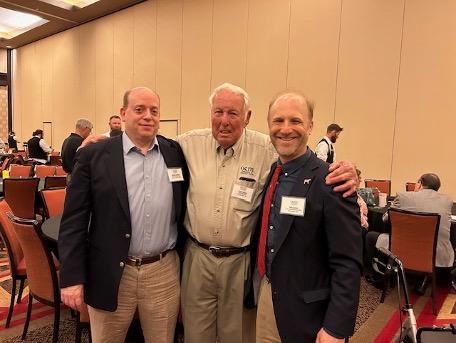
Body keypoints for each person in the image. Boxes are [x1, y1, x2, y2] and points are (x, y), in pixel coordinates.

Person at [176, 83, 358, 343]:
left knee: (238, 336)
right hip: (205, 262)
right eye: (218, 112)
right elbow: (152, 147)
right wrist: (101, 146)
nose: (224, 121)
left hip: (247, 268)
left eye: (233, 113)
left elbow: (347, 262)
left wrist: (350, 170)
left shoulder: (270, 152)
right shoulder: (188, 144)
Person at [58, 87, 189, 343]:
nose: (147, 116)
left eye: (154, 111)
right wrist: (71, 277)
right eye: (139, 109)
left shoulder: (174, 153)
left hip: (163, 272)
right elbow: (73, 222)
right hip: (112, 271)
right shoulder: (94, 155)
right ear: (123, 113)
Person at [246, 91, 362, 343]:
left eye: (295, 121)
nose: (286, 129)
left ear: (310, 126)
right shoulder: (274, 172)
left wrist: (336, 328)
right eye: (278, 121)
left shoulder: (331, 180)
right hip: (269, 297)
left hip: (309, 313)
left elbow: (347, 263)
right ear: (269, 126)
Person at [365, 173, 454, 290]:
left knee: (371, 236)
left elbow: (385, 219)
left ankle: (381, 278)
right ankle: (423, 279)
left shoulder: (403, 197)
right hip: (435, 254)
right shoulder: (447, 201)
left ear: (420, 184)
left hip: (404, 250)